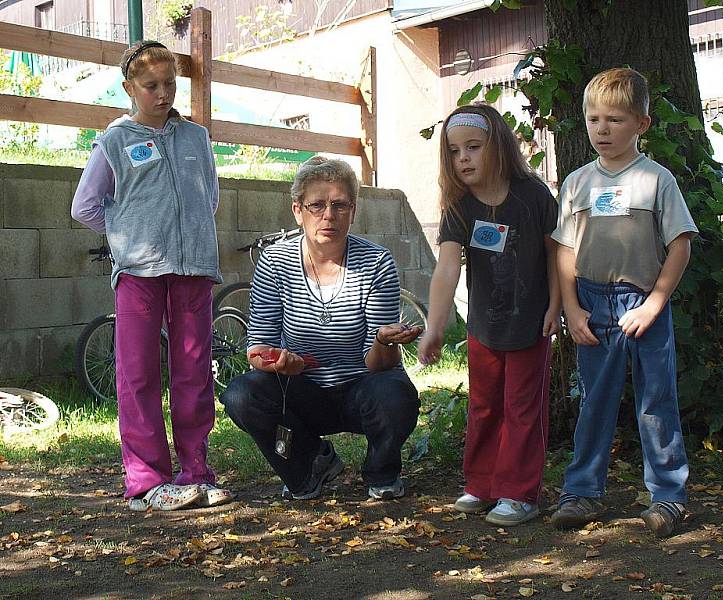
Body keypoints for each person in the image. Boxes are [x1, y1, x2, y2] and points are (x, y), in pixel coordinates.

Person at [71, 41, 233, 511]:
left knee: (194, 373)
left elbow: (210, 198)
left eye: (169, 84)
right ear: (129, 89)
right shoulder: (115, 141)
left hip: (194, 269)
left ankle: (195, 472)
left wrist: (187, 233)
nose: (163, 94)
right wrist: (127, 232)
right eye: (151, 86)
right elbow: (84, 207)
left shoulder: (196, 138)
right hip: (140, 272)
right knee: (138, 374)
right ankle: (146, 482)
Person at [549, 68, 698, 537]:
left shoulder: (656, 180)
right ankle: (583, 492)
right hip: (593, 305)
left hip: (643, 302)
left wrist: (654, 303)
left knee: (656, 401)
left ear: (642, 124)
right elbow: (565, 249)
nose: (602, 129)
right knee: (595, 401)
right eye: (593, 119)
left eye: (614, 119)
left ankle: (669, 497)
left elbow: (680, 244)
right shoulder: (576, 183)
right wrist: (572, 309)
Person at [220, 156, 422, 501]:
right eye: (317, 205)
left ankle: (382, 471)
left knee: (395, 393)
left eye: (339, 205)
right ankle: (309, 464)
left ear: (353, 210)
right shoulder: (274, 262)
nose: (329, 215)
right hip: (302, 389)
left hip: (363, 384)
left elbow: (379, 365)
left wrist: (383, 341)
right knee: (241, 394)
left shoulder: (377, 262)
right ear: (298, 210)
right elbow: (258, 347)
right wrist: (279, 363)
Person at [417, 104, 560, 527]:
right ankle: (481, 484)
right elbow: (446, 269)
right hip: (484, 329)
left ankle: (519, 493)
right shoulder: (460, 207)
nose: (463, 158)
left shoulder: (533, 196)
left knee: (522, 409)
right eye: (454, 151)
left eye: (473, 147)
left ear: (498, 145)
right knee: (483, 407)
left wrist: (557, 306)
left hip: (531, 327)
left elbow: (557, 255)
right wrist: (434, 327)